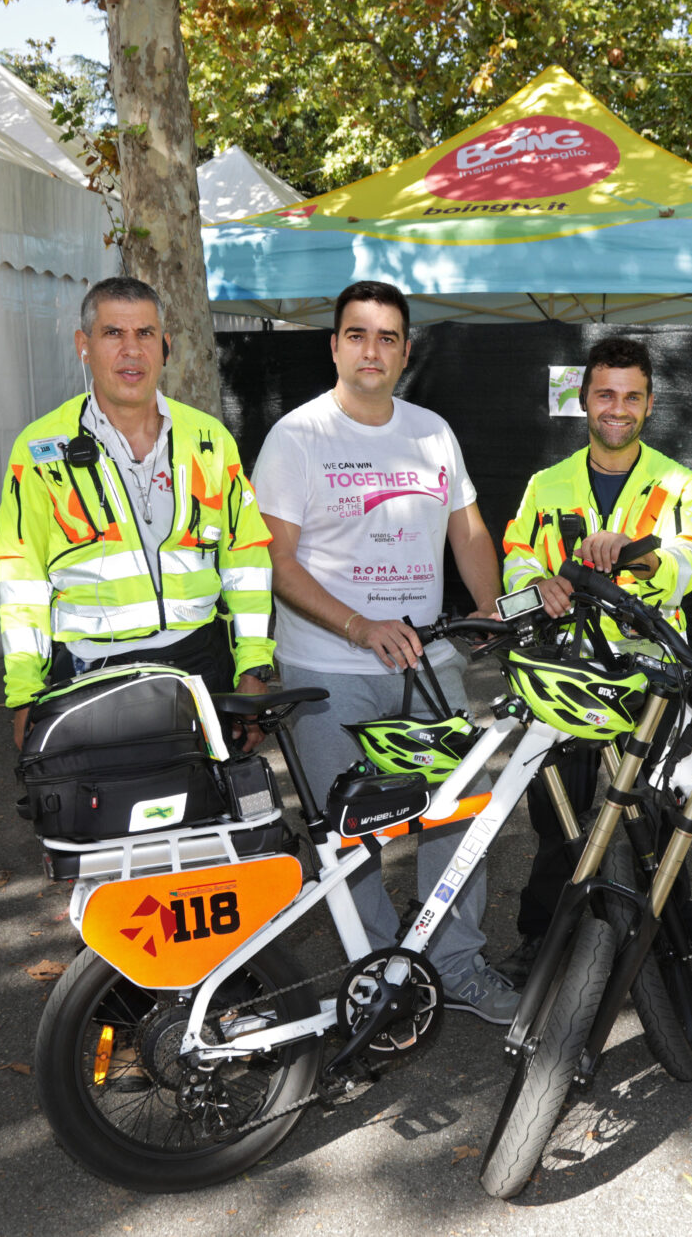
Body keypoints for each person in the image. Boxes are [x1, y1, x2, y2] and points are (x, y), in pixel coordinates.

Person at [251, 280, 515, 1023]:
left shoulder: (432, 431)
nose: (373, 349)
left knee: (453, 818)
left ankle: (456, 963)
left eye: (388, 336)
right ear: (334, 346)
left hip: (426, 671)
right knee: (349, 833)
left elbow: (467, 530)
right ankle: (378, 970)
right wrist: (358, 626)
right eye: (358, 334)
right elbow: (278, 560)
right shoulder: (297, 437)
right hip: (328, 671)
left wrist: (489, 609)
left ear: (404, 351)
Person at [498, 335, 692, 982]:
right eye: (604, 395)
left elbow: (685, 568)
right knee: (558, 816)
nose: (616, 408)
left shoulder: (681, 485)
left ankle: (665, 938)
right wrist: (538, 585)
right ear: (585, 400)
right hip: (567, 673)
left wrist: (637, 553)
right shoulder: (546, 484)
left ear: (649, 404)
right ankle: (544, 937)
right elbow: (515, 562)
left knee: (651, 813)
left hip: (649, 680)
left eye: (631, 397)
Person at [0, 276, 274, 750]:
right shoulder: (40, 451)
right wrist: (24, 695)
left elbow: (247, 565)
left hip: (201, 669)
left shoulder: (209, 441)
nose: (131, 350)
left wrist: (254, 671)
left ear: (165, 346)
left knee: (212, 817)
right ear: (84, 346)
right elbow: (23, 582)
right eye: (113, 334)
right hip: (91, 675)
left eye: (145, 334)